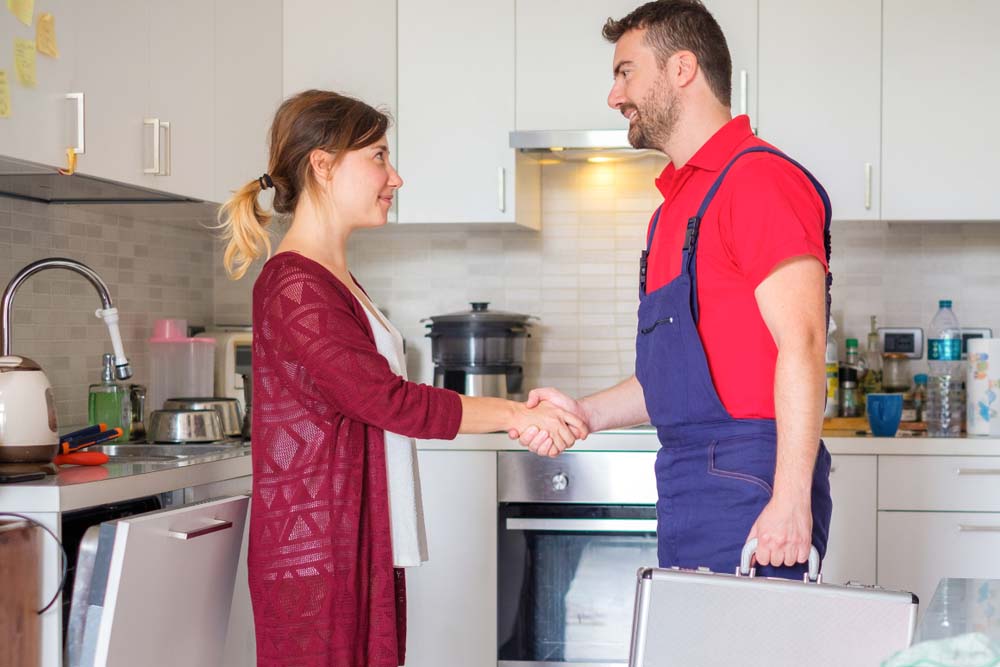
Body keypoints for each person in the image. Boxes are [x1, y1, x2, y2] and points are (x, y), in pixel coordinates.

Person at [217, 89, 583, 667]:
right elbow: (388, 401)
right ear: (324, 165)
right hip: (321, 557)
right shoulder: (296, 286)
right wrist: (516, 414)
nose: (396, 177)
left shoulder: (332, 277)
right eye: (379, 157)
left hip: (354, 543)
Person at [514, 0, 833, 579]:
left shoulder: (758, 181)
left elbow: (804, 343)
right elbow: (679, 374)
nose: (614, 96)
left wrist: (790, 499)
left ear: (682, 68)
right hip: (689, 476)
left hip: (750, 479)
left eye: (625, 71)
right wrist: (584, 412)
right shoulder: (675, 209)